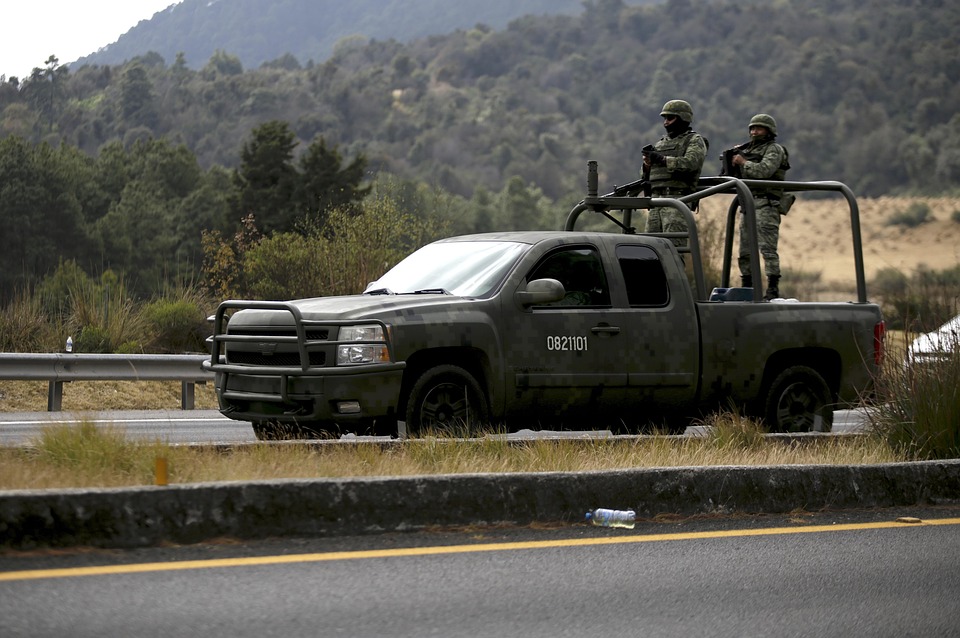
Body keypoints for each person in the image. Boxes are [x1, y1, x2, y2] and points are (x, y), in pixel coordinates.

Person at [731, 113, 791, 300]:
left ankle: (772, 288)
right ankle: (746, 289)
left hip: (766, 204)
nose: (754, 132)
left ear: (769, 131)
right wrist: (734, 160)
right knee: (744, 251)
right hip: (748, 204)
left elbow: (764, 171)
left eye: (759, 128)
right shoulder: (747, 150)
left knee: (767, 249)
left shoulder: (775, 149)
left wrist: (743, 162)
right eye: (752, 128)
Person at [642, 99, 708, 249]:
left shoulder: (694, 140)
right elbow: (647, 175)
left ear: (683, 118)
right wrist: (647, 164)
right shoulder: (660, 144)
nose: (666, 123)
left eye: (670, 118)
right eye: (664, 119)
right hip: (655, 202)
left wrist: (663, 159)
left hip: (677, 200)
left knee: (674, 251)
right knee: (650, 251)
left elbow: (691, 163)